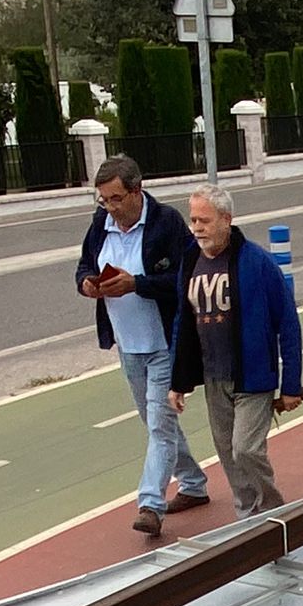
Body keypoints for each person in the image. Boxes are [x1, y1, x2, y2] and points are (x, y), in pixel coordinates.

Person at [75, 155, 209, 538]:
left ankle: (150, 503)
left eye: (116, 199)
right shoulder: (101, 224)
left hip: (165, 343)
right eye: (104, 200)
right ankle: (194, 483)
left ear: (137, 190)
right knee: (154, 422)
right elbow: (84, 265)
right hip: (127, 344)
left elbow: (187, 277)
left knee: (160, 424)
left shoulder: (167, 223)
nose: (111, 208)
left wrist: (137, 284)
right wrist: (87, 284)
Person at [168, 184, 301, 519]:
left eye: (204, 220)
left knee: (246, 449)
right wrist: (178, 380)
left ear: (226, 219)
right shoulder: (190, 261)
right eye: (193, 220)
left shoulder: (257, 262)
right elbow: (183, 322)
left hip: (252, 377)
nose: (197, 227)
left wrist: (291, 385)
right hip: (214, 378)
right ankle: (247, 517)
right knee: (227, 453)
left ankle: (273, 511)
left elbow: (288, 323)